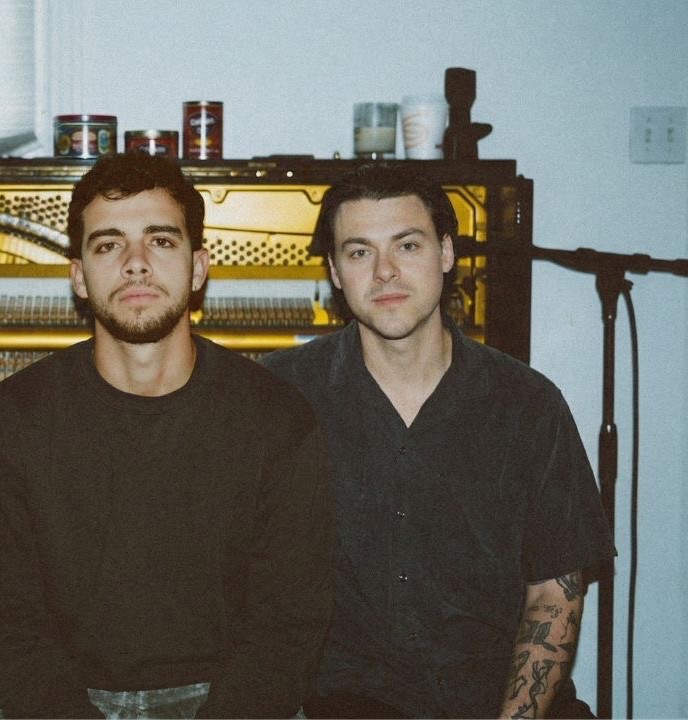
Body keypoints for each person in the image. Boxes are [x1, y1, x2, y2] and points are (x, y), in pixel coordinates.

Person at [0, 153, 333, 719]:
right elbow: (4, 623)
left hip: (230, 700)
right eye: (109, 245)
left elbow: (288, 627)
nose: (136, 264)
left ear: (199, 267)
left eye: (160, 241)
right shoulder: (12, 420)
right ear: (78, 277)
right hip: (60, 702)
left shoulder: (277, 420)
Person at [260, 164, 615, 718]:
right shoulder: (281, 396)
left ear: (446, 253)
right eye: (359, 252)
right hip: (347, 703)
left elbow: (555, 592)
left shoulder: (527, 403)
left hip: (499, 698)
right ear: (334, 271)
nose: (384, 271)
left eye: (407, 246)